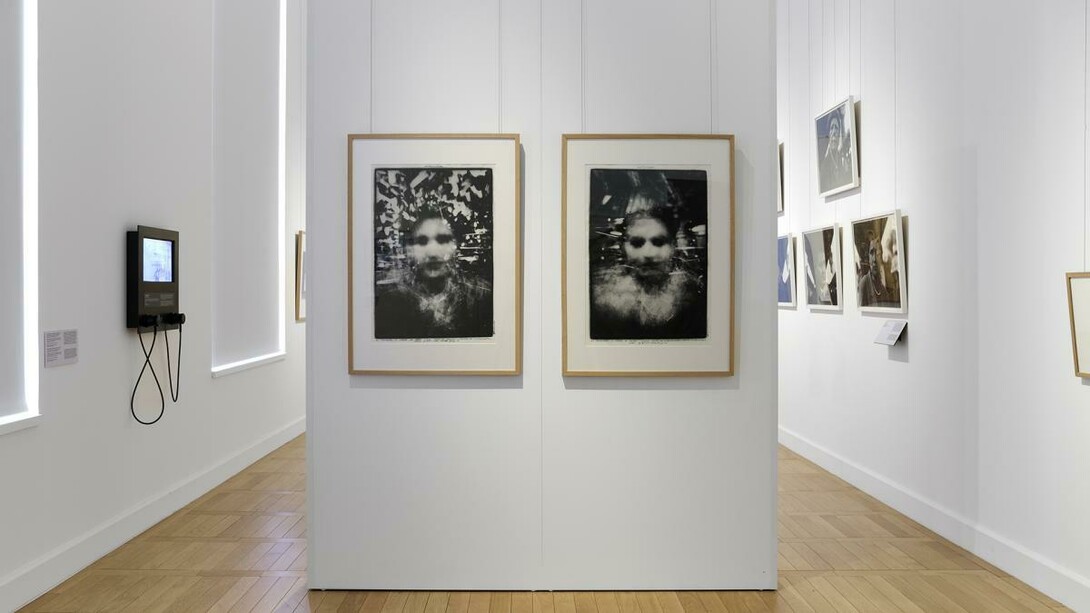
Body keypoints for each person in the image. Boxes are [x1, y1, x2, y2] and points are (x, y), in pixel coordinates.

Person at [589, 191, 706, 340]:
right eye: (637, 243)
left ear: (674, 246)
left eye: (659, 242)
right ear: (623, 247)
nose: (648, 253)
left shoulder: (693, 298)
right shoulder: (604, 305)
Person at [374, 212, 493, 339]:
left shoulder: (480, 296)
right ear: (409, 249)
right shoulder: (392, 300)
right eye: (422, 241)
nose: (432, 253)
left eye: (443, 240)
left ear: (456, 246)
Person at [820, 109, 854, 192]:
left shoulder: (843, 159)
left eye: (836, 128)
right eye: (832, 128)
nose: (834, 132)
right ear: (828, 134)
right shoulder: (824, 164)